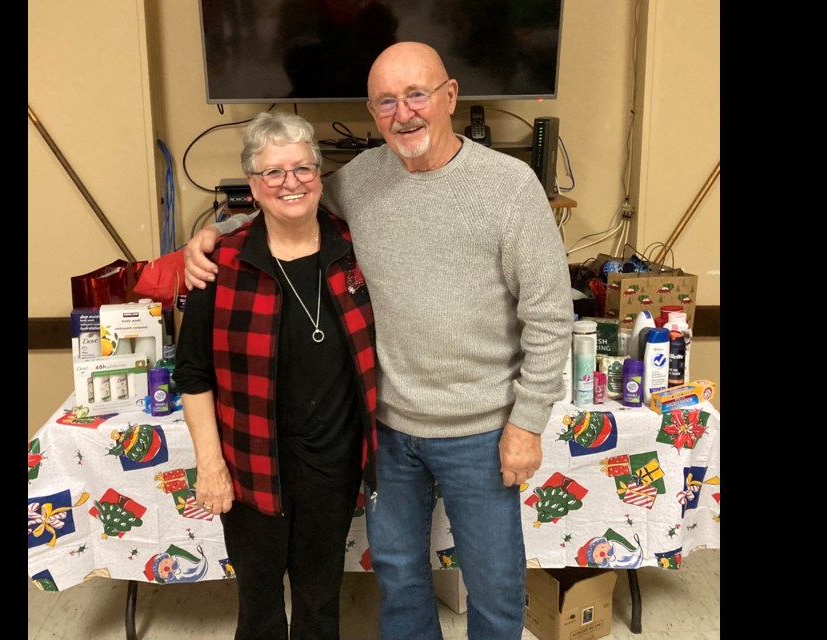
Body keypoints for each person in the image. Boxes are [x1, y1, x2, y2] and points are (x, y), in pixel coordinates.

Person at [184, 42, 573, 640]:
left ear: (449, 98)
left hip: (484, 430)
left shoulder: (509, 186)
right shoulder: (359, 182)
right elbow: (290, 206)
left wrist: (527, 423)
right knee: (399, 577)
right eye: (386, 101)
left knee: (494, 584)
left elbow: (549, 317)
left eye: (416, 95)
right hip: (386, 430)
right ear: (373, 112)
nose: (404, 113)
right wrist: (216, 233)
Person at [173, 111, 378, 640]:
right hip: (249, 465)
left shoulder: (357, 250)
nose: (291, 182)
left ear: (319, 174)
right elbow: (193, 373)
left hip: (332, 463)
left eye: (302, 168)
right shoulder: (222, 265)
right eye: (273, 173)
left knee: (319, 599)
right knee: (260, 604)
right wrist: (210, 464)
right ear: (254, 186)